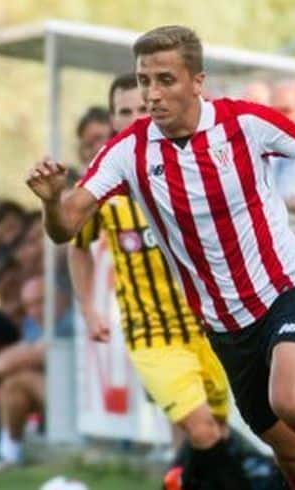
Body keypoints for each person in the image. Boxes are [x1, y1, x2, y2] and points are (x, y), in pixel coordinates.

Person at [27, 25, 295, 489]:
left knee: (291, 399)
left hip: (288, 286)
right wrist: (51, 201)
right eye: (144, 80)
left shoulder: (244, 122)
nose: (152, 94)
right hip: (226, 324)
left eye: (165, 80)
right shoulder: (128, 151)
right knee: (291, 455)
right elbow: (66, 227)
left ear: (196, 81)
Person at [68, 73, 245, 489]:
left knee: (214, 434)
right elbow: (77, 246)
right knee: (202, 430)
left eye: (141, 109)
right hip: (153, 335)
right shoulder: (99, 184)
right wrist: (89, 307)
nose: (134, 119)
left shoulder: (191, 166)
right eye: (124, 112)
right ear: (112, 120)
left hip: (209, 326)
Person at [0, 276, 48, 473]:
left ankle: (10, 453)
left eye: (40, 302)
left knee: (20, 378)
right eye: (29, 306)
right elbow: (20, 350)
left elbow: (32, 356)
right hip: (53, 397)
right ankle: (9, 455)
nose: (35, 311)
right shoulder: (34, 325)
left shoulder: (68, 320)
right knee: (11, 384)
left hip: (77, 402)